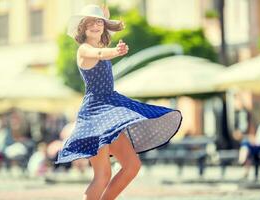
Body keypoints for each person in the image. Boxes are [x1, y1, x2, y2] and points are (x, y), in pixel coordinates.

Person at [55, 4, 182, 200]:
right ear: (82, 28)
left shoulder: (101, 45)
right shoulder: (84, 49)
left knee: (132, 166)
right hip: (95, 115)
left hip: (110, 109)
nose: (95, 26)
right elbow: (99, 54)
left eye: (98, 23)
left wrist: (107, 21)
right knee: (103, 175)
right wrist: (116, 51)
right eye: (90, 23)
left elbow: (103, 44)